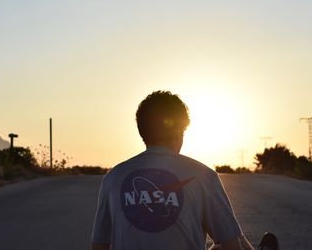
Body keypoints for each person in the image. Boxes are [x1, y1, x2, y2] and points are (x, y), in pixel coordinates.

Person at [91, 91, 255, 250]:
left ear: (142, 132)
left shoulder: (113, 177)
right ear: (179, 132)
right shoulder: (203, 175)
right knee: (228, 240)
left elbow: (99, 245)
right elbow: (233, 246)